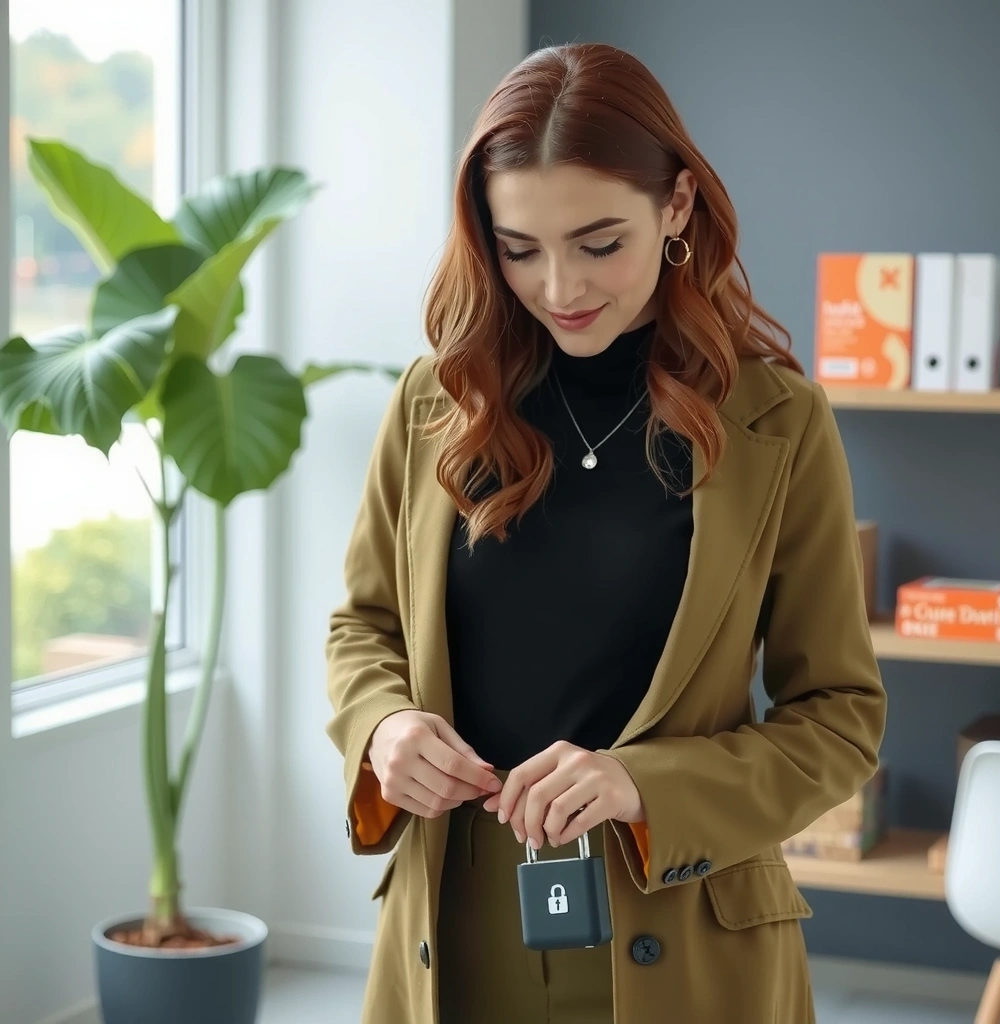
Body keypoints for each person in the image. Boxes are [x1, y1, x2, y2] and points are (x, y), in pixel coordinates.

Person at [325, 40, 886, 1024]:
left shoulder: (778, 423)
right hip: (457, 927)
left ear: (676, 207)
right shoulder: (434, 402)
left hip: (686, 929)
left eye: (598, 244)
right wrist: (384, 728)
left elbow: (838, 717)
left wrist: (642, 784)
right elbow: (363, 627)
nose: (559, 288)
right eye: (519, 249)